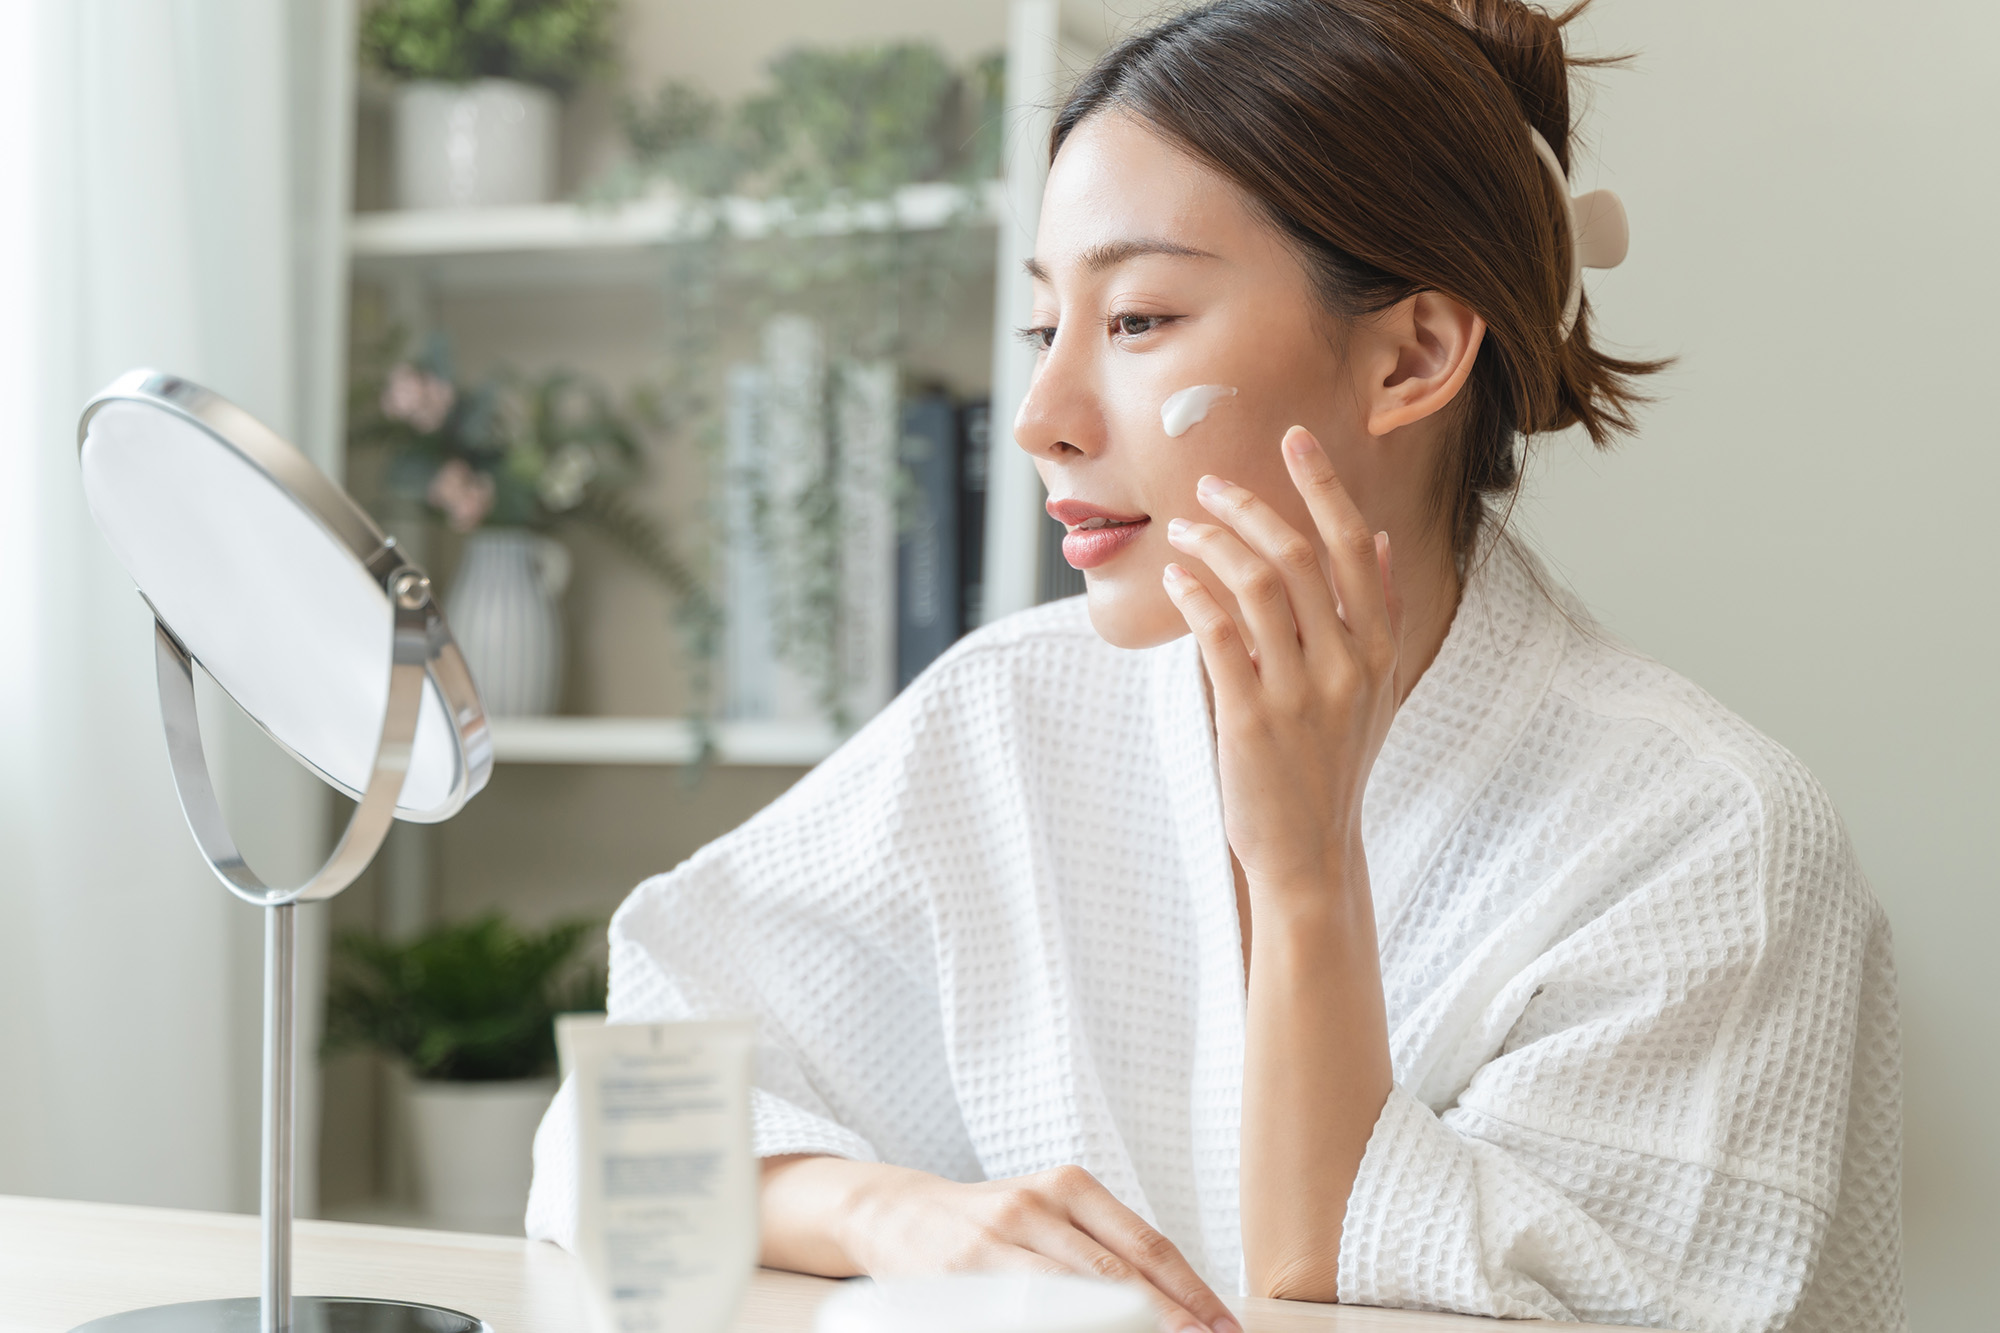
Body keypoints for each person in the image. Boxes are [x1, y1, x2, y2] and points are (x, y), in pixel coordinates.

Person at [528, 2, 1905, 1329]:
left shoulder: (1707, 837)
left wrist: (1303, 869)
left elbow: (1354, 1291)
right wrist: (885, 1213)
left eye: (1136, 322)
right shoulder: (1007, 711)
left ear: (1414, 352)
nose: (1043, 419)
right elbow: (613, 1137)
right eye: (1042, 326)